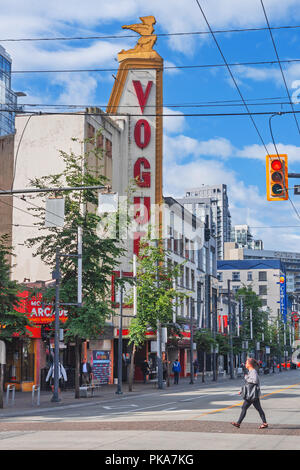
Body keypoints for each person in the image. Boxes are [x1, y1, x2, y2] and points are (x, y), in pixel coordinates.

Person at [231, 357, 268, 429]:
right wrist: (242, 390)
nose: (245, 364)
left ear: (249, 364)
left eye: (246, 363)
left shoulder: (253, 371)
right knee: (257, 409)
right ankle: (264, 423)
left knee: (245, 407)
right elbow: (248, 383)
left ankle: (238, 423)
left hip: (251, 394)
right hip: (252, 394)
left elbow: (255, 381)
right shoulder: (251, 371)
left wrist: (246, 377)